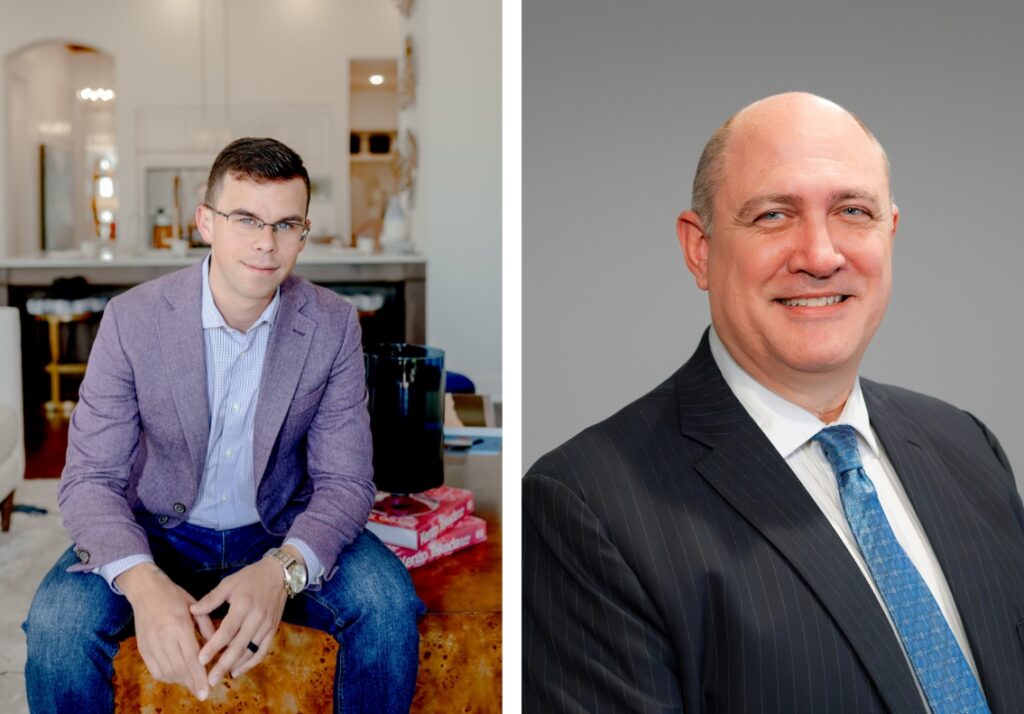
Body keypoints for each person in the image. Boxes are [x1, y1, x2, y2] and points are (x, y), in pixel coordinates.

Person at [523, 93, 1024, 713]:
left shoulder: (968, 447)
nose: (819, 255)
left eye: (852, 210)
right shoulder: (588, 506)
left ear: (889, 233)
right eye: (772, 216)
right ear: (699, 249)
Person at [24, 137, 423, 713]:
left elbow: (347, 482)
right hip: (156, 530)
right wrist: (142, 582)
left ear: (304, 232)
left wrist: (283, 571)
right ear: (205, 222)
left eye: (287, 224)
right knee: (57, 624)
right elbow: (89, 481)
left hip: (278, 525)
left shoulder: (333, 324)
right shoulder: (131, 320)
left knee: (388, 605)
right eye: (246, 219)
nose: (267, 243)